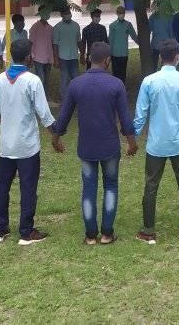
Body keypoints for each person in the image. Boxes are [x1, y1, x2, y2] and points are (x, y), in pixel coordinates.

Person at [51, 42, 137, 245]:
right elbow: (125, 119)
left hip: (86, 146)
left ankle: (90, 235)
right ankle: (107, 234)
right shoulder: (116, 84)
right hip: (110, 145)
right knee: (111, 186)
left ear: (89, 58)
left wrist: (55, 138)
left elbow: (63, 117)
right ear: (107, 61)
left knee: (89, 188)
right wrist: (131, 142)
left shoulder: (75, 84)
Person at [0, 38, 56, 245]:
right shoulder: (32, 81)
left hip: (6, 146)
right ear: (29, 57)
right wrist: (55, 137)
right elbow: (44, 114)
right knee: (28, 189)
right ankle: (26, 232)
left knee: (2, 188)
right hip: (27, 147)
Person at [133, 39, 179, 243]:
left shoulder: (149, 81)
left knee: (151, 186)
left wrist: (133, 138)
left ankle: (148, 232)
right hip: (178, 143)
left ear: (160, 57)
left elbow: (140, 114)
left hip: (156, 145)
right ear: (177, 57)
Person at [52, 8, 81, 100]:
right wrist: (56, 59)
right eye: (65, 13)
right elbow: (55, 44)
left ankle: (76, 97)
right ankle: (64, 99)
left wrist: (82, 54)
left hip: (74, 56)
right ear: (61, 15)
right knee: (64, 79)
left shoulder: (76, 25)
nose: (68, 15)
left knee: (75, 78)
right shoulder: (57, 27)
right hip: (63, 57)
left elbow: (79, 41)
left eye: (69, 13)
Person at [109, 6, 139, 82]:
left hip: (124, 53)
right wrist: (109, 53)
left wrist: (141, 45)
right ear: (117, 14)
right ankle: (115, 87)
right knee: (115, 73)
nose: (121, 15)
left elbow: (134, 36)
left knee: (123, 73)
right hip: (114, 53)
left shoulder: (128, 24)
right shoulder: (112, 25)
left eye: (123, 13)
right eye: (120, 13)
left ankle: (122, 86)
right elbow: (110, 40)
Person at [28, 7, 54, 90]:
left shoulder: (51, 28)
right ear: (40, 13)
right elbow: (30, 42)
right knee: (40, 79)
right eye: (45, 12)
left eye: (48, 12)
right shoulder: (35, 27)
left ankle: (45, 95)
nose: (47, 14)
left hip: (49, 57)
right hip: (38, 58)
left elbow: (53, 43)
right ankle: (39, 95)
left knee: (46, 79)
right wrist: (31, 56)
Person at [148, 7, 175, 71]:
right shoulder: (170, 16)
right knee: (166, 63)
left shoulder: (153, 16)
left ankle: (153, 74)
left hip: (155, 42)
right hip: (166, 43)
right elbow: (171, 31)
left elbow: (150, 29)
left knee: (154, 63)